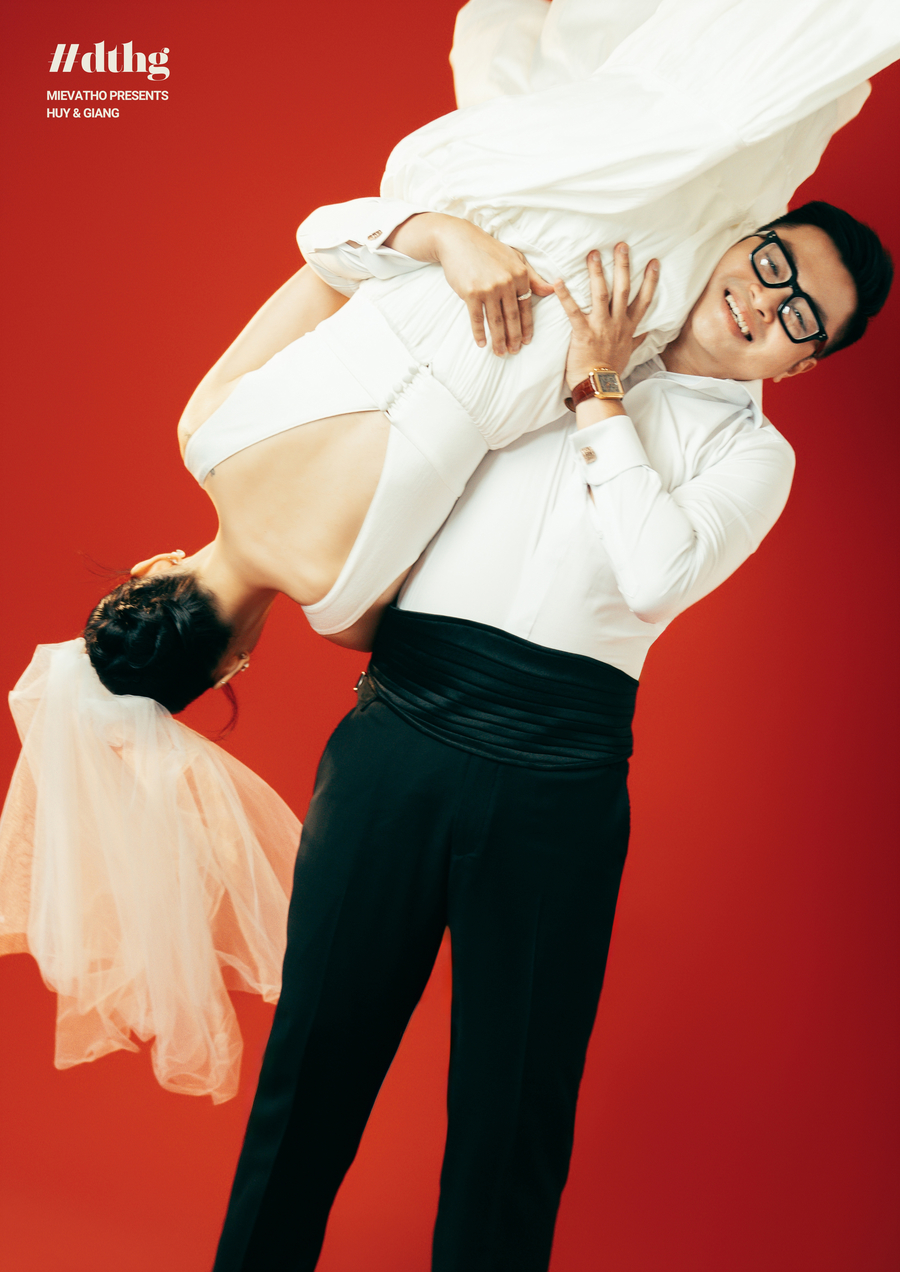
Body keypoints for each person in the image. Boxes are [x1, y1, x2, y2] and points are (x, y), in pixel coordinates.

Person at [0, 0, 895, 1133]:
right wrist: (443, 237)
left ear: (231, 666)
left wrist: (569, 355)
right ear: (148, 567)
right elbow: (329, 257)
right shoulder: (203, 428)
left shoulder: (351, 610)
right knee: (686, 105)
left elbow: (507, 507)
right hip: (489, 205)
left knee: (744, 123)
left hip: (573, 308)